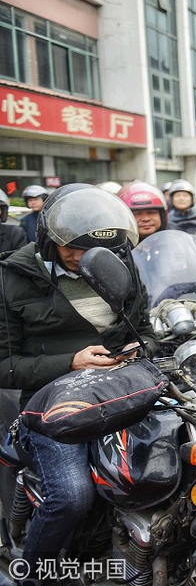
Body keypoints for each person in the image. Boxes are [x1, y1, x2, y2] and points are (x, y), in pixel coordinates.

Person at [0, 185, 156, 576]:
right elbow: (4, 365)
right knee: (71, 496)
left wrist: (138, 348)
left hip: (122, 392)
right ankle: (34, 574)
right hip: (53, 407)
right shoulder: (11, 278)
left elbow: (146, 331)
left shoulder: (119, 263)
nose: (83, 258)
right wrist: (70, 362)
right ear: (48, 237)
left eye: (94, 249)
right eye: (73, 247)